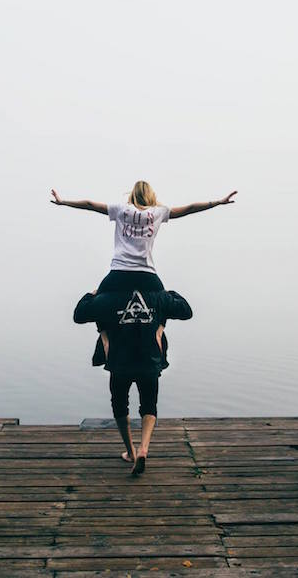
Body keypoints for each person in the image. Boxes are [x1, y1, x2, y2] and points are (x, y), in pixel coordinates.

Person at [50, 181, 236, 363]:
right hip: (147, 275)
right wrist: (217, 202)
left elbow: (90, 205)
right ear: (151, 195)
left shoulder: (121, 210)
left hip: (118, 273)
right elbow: (189, 208)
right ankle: (158, 343)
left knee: (98, 302)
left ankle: (105, 344)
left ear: (132, 194)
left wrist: (63, 201)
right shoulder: (158, 212)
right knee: (163, 305)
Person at [74, 288, 193, 475]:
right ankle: (143, 449)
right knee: (149, 405)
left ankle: (130, 452)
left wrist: (93, 293)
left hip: (120, 362)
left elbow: (79, 313)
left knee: (120, 405)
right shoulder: (157, 296)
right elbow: (186, 311)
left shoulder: (108, 298)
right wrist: (169, 292)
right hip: (149, 361)